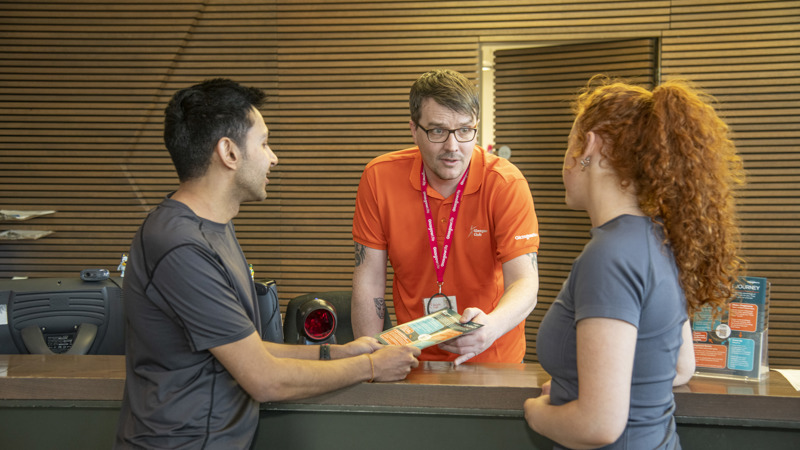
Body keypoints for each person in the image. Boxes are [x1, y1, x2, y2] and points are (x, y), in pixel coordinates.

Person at [115, 78, 420, 449]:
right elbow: (264, 378)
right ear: (229, 152)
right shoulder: (180, 246)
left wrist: (339, 352)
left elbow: (249, 350)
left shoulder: (212, 229)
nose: (273, 157)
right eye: (263, 143)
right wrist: (371, 367)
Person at [524, 76, 744, 449]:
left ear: (589, 147)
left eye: (568, 145)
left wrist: (536, 411)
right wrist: (581, 387)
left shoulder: (608, 257)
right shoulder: (658, 239)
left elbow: (597, 426)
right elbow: (680, 367)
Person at [351, 69, 540, 365]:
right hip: (412, 357)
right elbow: (370, 281)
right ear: (414, 130)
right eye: (438, 131)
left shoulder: (505, 183)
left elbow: (525, 282)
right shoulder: (379, 178)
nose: (453, 147)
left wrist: (491, 327)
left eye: (465, 130)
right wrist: (370, 363)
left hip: (493, 356)